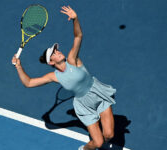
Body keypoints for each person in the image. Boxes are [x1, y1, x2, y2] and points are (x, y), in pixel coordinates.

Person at [12, 6, 116, 150]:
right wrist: (18, 66)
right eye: (54, 53)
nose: (58, 51)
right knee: (98, 143)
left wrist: (75, 19)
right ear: (51, 62)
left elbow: (78, 36)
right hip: (84, 105)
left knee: (109, 135)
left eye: (57, 49)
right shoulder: (53, 76)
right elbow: (29, 83)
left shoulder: (72, 59)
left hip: (97, 92)